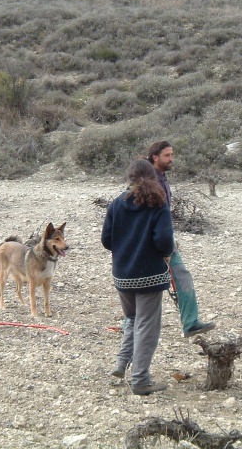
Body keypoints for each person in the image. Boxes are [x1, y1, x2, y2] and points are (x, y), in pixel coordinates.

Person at [101, 159, 176, 396]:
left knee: (132, 320)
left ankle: (121, 363)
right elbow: (164, 241)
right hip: (151, 276)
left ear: (129, 178)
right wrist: (165, 255)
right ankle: (140, 380)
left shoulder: (116, 204)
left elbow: (106, 240)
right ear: (152, 176)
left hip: (122, 276)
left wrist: (124, 248)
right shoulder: (158, 204)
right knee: (146, 326)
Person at [147, 140, 216, 338]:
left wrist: (168, 239)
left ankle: (191, 323)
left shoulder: (161, 177)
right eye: (167, 155)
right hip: (154, 244)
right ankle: (130, 326)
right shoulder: (150, 181)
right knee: (146, 286)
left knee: (181, 276)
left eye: (172, 155)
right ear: (155, 157)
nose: (171, 159)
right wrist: (164, 245)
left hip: (164, 241)